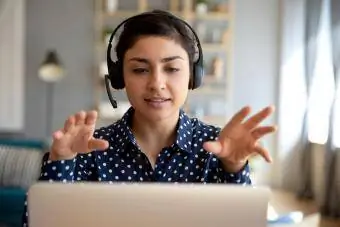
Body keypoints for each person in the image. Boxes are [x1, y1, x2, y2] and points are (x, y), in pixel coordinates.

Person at [22, 9, 276, 226]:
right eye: (140, 69)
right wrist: (61, 162)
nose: (157, 83)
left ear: (192, 76)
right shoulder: (88, 150)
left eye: (172, 68)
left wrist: (234, 168)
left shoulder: (216, 147)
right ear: (120, 78)